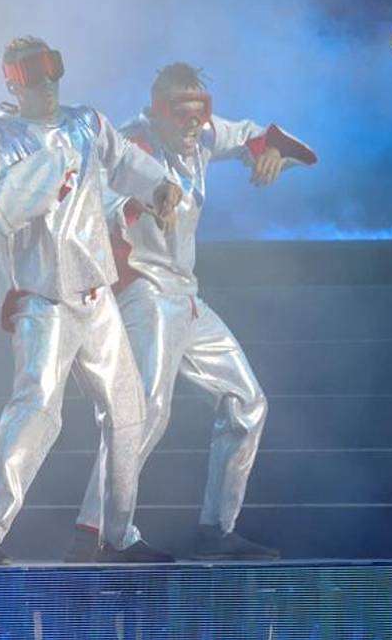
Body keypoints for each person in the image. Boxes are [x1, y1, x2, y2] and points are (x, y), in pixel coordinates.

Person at [70, 61, 316, 561]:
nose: (192, 123)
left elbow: (276, 141)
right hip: (145, 292)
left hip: (186, 296)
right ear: (158, 111)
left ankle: (216, 529)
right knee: (144, 411)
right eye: (181, 113)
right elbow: (98, 202)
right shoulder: (133, 143)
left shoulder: (202, 135)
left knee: (246, 401)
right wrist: (138, 203)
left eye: (200, 110)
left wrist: (271, 151)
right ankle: (95, 531)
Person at [0, 36, 180, 565]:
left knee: (128, 412)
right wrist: (42, 182)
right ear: (13, 83)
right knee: (37, 405)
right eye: (34, 76)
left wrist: (158, 188)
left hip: (96, 293)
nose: (47, 84)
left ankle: (115, 534)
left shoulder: (86, 124)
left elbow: (125, 161)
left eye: (52, 72)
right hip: (44, 297)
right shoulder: (4, 140)